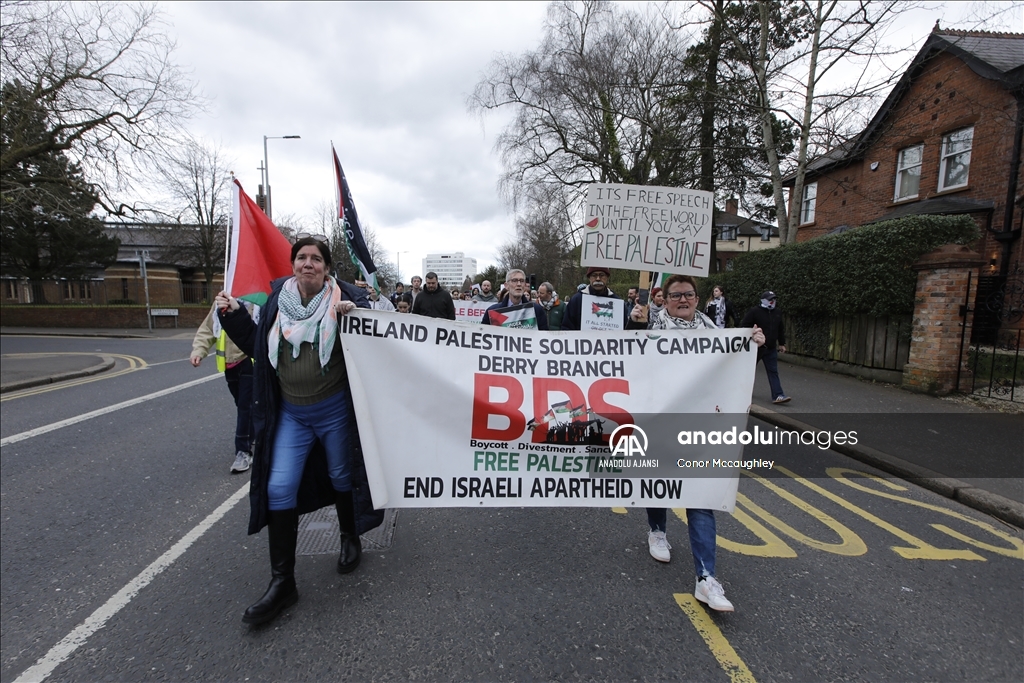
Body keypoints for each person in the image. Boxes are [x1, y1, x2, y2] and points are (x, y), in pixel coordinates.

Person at [215, 236, 383, 626]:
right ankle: (282, 583)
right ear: (293, 264)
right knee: (277, 488)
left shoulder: (346, 298)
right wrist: (234, 313)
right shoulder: (276, 302)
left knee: (342, 474)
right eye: (302, 257)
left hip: (334, 411)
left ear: (326, 268)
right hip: (291, 413)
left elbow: (377, 342)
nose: (308, 263)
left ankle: (349, 537)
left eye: (316, 259)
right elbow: (256, 344)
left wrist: (354, 316)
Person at [642, 274, 766, 613]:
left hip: (701, 428)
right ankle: (657, 530)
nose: (683, 299)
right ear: (663, 300)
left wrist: (750, 343)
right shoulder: (651, 335)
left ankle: (706, 578)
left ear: (698, 299)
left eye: (689, 294)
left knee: (700, 497)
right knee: (659, 482)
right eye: (676, 295)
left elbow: (732, 370)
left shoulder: (717, 334)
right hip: (662, 422)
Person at [191, 303, 255, 474]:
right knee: (242, 405)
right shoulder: (221, 301)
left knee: (245, 407)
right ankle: (253, 433)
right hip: (229, 364)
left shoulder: (255, 299)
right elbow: (208, 328)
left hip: (250, 361)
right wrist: (199, 350)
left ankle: (243, 451)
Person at [741, 290, 790, 404]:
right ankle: (741, 392)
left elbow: (780, 329)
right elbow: (744, 326)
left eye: (774, 299)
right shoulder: (755, 312)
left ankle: (778, 395)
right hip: (756, 348)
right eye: (770, 299)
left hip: (771, 348)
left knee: (773, 371)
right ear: (763, 300)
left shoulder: (777, 313)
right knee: (749, 371)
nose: (772, 302)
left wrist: (782, 343)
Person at [562, 267, 628, 330]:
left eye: (602, 275)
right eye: (594, 275)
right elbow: (567, 327)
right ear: (589, 278)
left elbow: (625, 329)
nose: (598, 279)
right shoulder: (577, 300)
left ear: (607, 277)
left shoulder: (617, 303)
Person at [480, 269, 549, 329]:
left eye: (522, 281)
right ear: (506, 286)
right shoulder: (493, 311)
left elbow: (543, 337)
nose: (518, 284)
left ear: (525, 285)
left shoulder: (536, 310)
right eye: (514, 280)